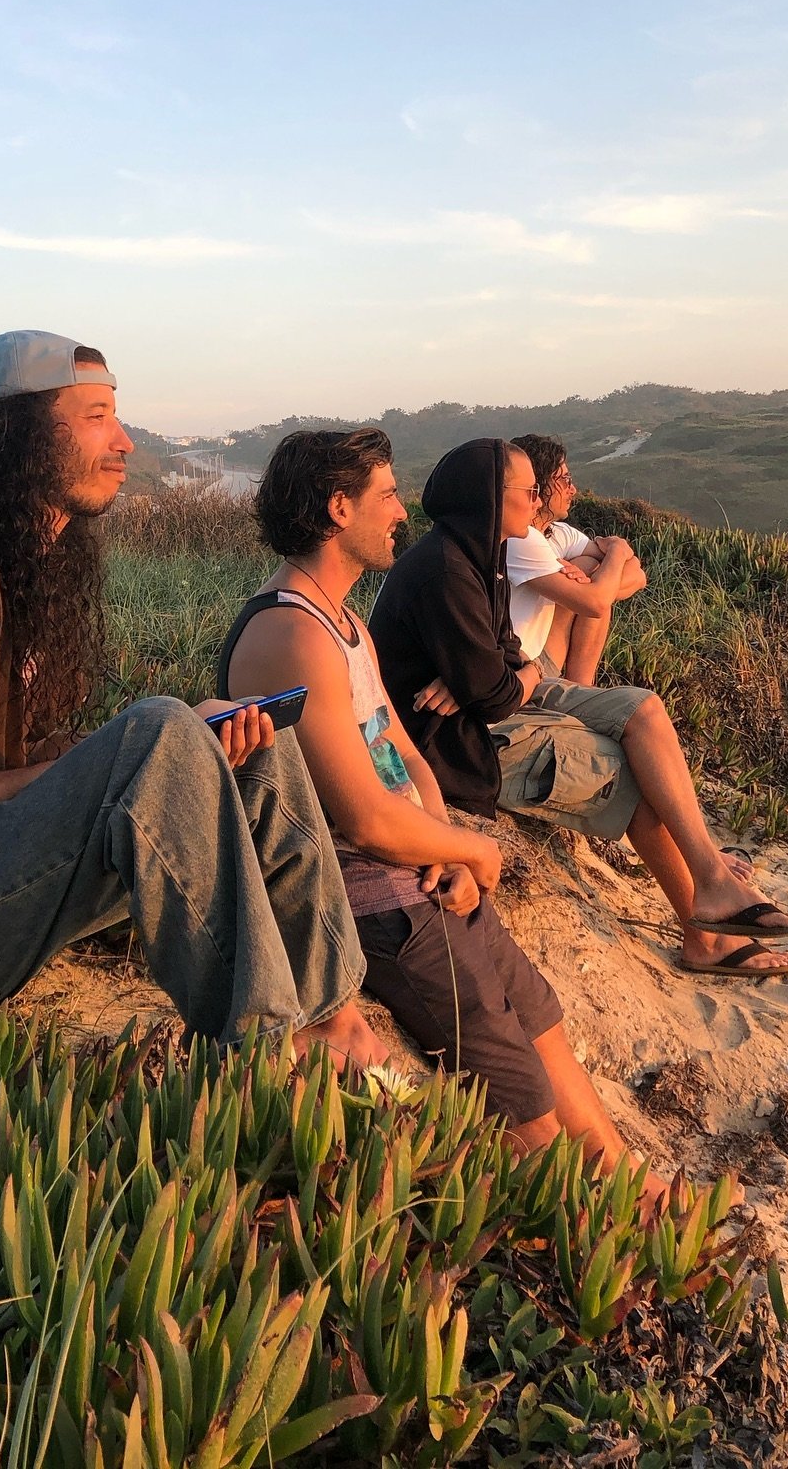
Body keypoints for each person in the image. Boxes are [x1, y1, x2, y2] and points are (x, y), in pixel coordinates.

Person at [0, 330, 383, 1065]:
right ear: (15, 434)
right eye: (94, 415)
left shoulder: (22, 560)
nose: (125, 441)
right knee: (160, 729)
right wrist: (123, 755)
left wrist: (158, 749)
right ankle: (259, 1058)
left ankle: (336, 1020)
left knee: (245, 737)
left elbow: (13, 767)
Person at [215, 428, 663, 1187]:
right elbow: (360, 817)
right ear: (337, 506)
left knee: (540, 1016)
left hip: (418, 866)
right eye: (386, 495)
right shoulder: (291, 632)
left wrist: (448, 840)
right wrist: (470, 852)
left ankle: (633, 1181)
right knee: (512, 1074)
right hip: (373, 898)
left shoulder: (343, 621)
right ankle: (596, 1216)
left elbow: (404, 750)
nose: (402, 510)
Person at [368, 438, 788, 980]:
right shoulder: (447, 568)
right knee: (630, 777)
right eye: (527, 491)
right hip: (464, 741)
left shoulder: (482, 551)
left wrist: (498, 675)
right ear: (489, 497)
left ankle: (713, 875)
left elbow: (501, 657)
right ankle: (705, 938)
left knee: (642, 709)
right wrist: (502, 677)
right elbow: (493, 693)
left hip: (506, 701)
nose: (537, 500)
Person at [507, 432, 643, 686]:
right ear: (540, 484)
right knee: (593, 577)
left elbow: (638, 575)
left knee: (593, 571)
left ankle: (582, 687)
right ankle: (581, 691)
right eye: (565, 479)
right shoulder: (518, 539)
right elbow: (596, 604)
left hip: (541, 656)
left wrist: (601, 576)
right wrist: (617, 551)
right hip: (519, 666)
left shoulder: (559, 532)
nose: (573, 489)